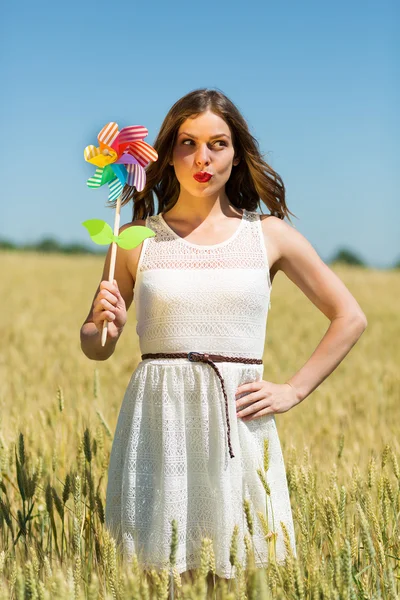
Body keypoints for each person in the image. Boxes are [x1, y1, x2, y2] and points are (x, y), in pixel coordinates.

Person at [80, 88, 367, 584]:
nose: (202, 158)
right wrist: (103, 324)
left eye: (217, 144)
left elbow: (349, 316)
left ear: (237, 155)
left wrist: (293, 389)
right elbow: (96, 345)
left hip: (237, 421)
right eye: (187, 143)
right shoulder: (133, 239)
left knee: (233, 578)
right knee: (159, 577)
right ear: (167, 155)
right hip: (159, 421)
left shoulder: (269, 235)